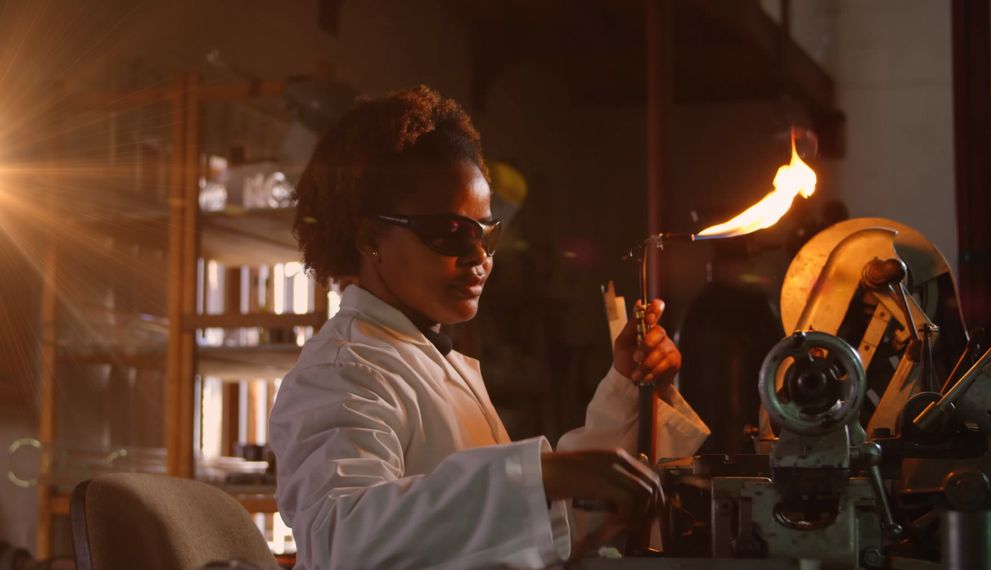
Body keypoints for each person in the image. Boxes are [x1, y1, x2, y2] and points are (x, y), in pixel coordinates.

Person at [269, 85, 709, 569]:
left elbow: (535, 530)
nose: (478, 257)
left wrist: (627, 390)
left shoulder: (427, 359)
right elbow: (340, 537)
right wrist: (539, 477)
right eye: (450, 233)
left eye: (486, 232)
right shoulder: (344, 370)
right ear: (371, 238)